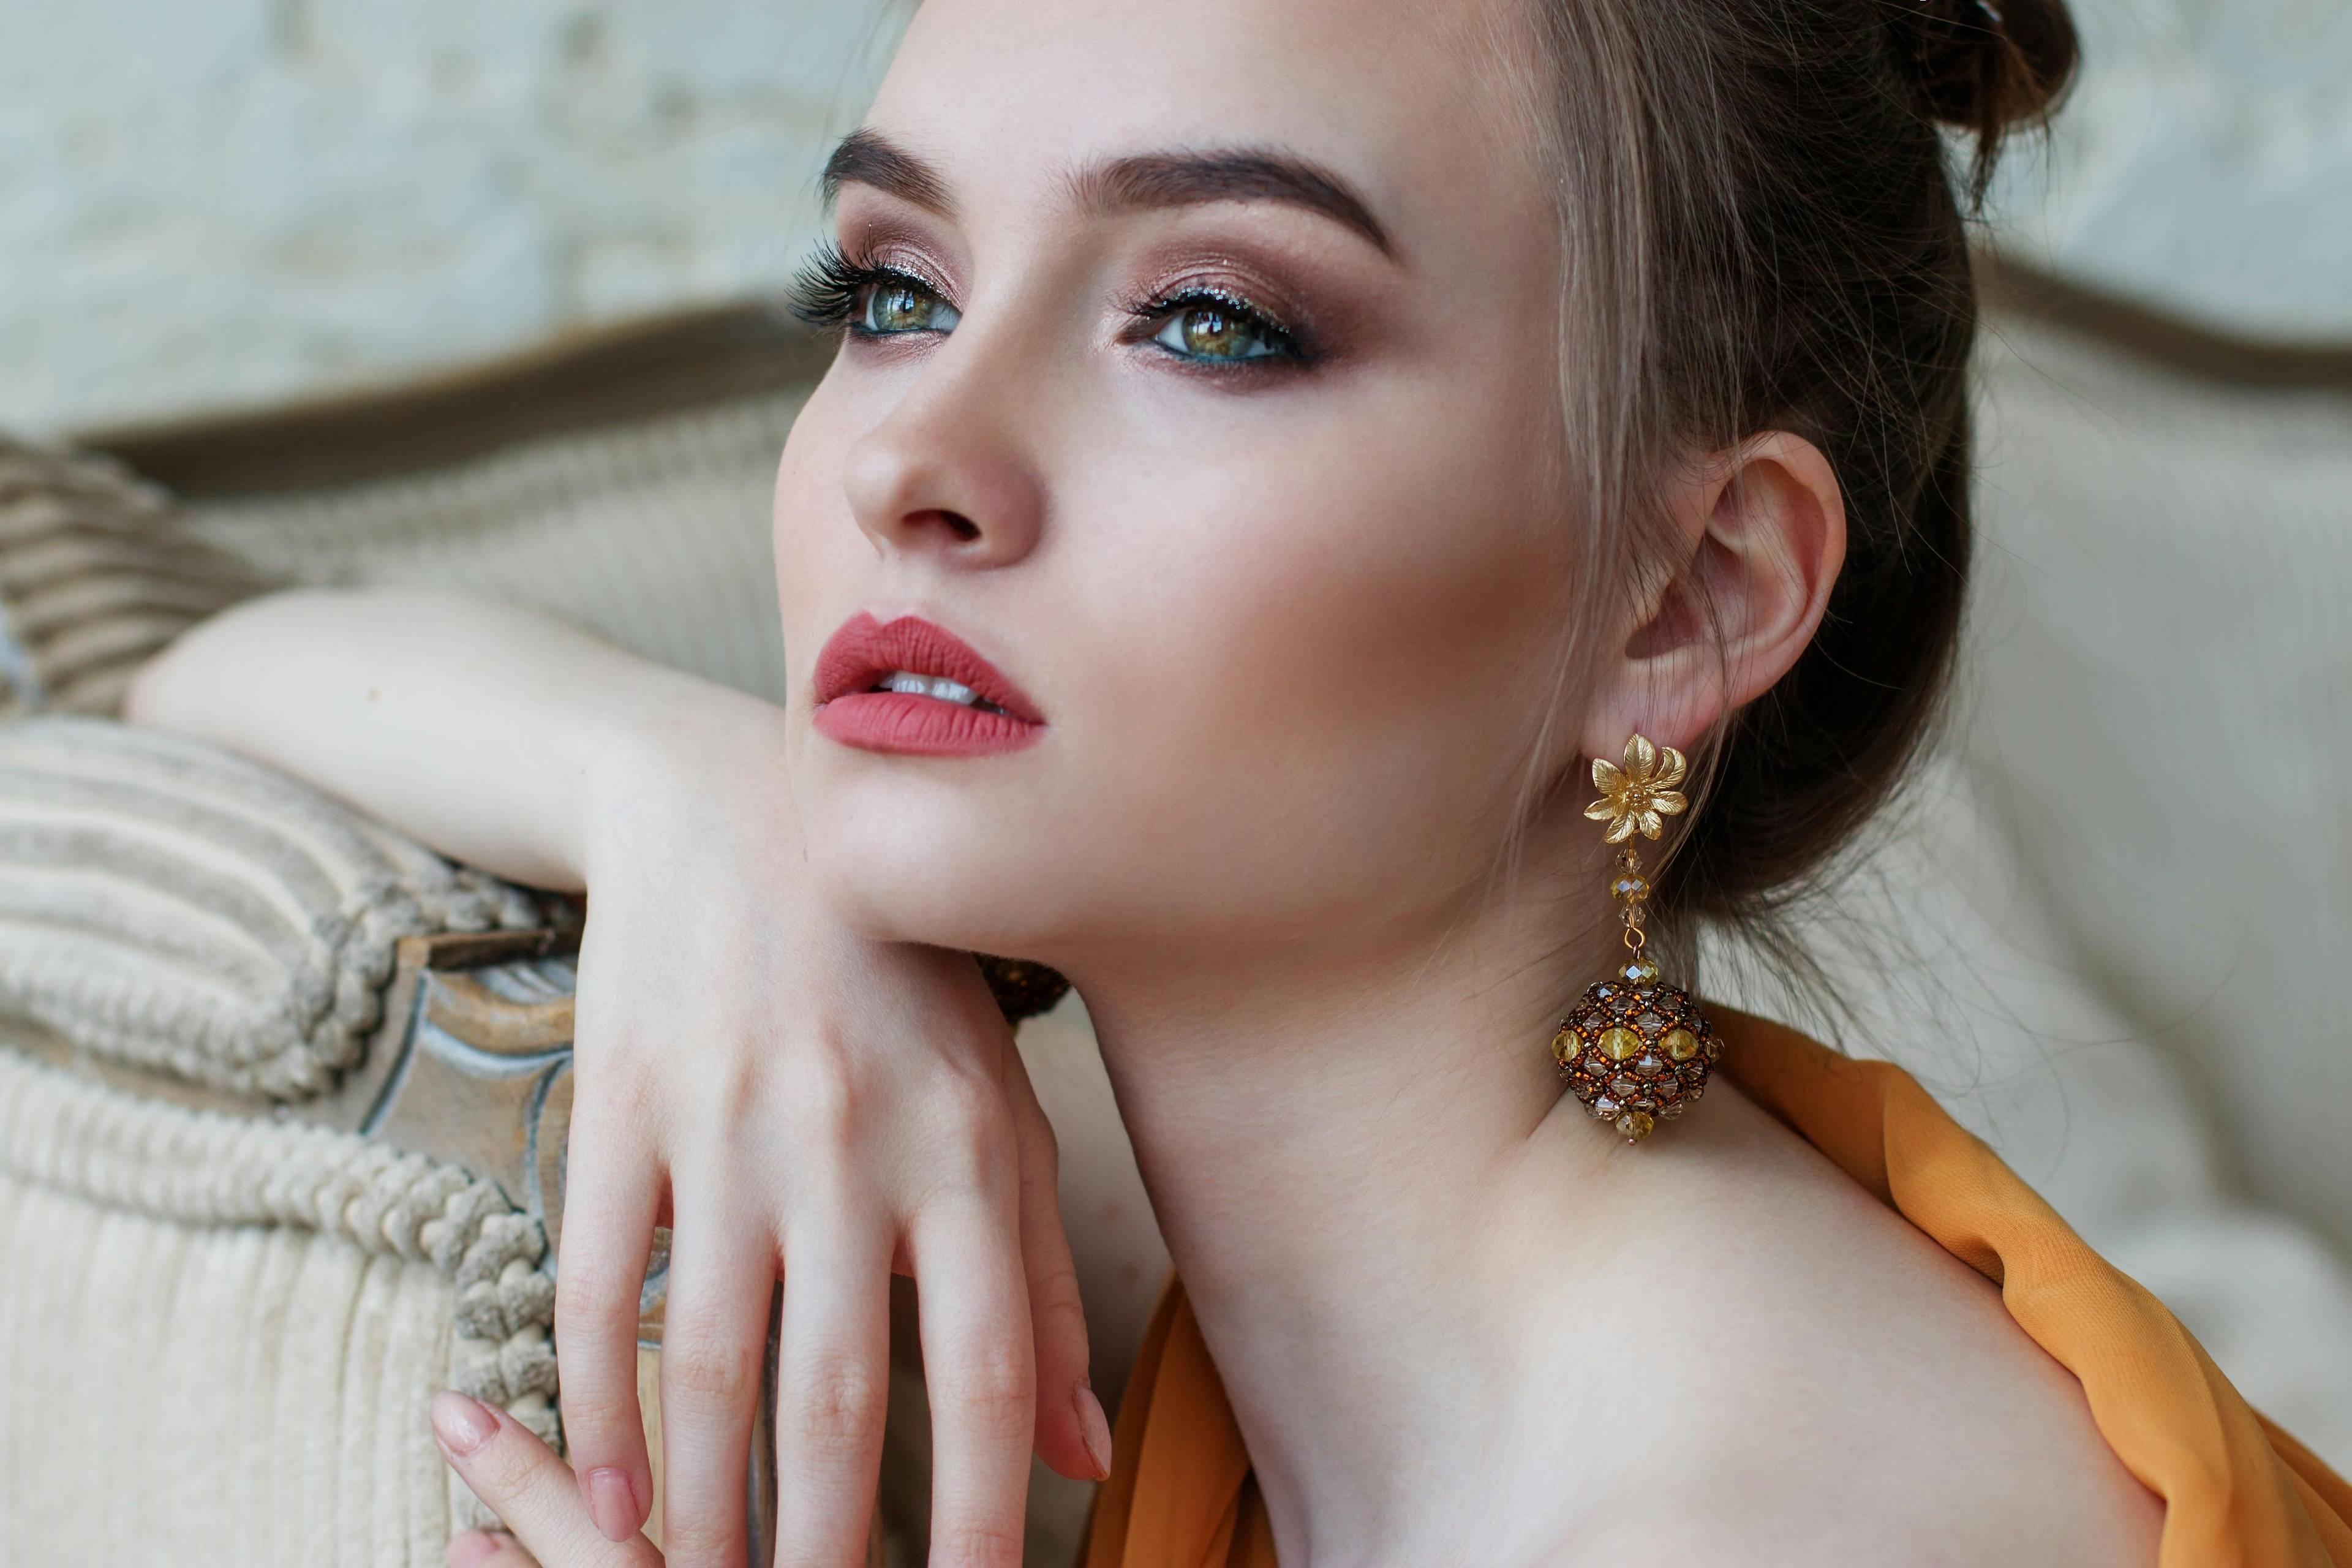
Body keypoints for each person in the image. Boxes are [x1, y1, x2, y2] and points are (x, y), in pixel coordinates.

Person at [127, 0, 2352, 1561]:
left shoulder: (1759, 1517)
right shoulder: (1187, 1221)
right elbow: (127, 648)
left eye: (1214, 320)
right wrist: (685, 797)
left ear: (1683, 594)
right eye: (891, 283)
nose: (911, 455)